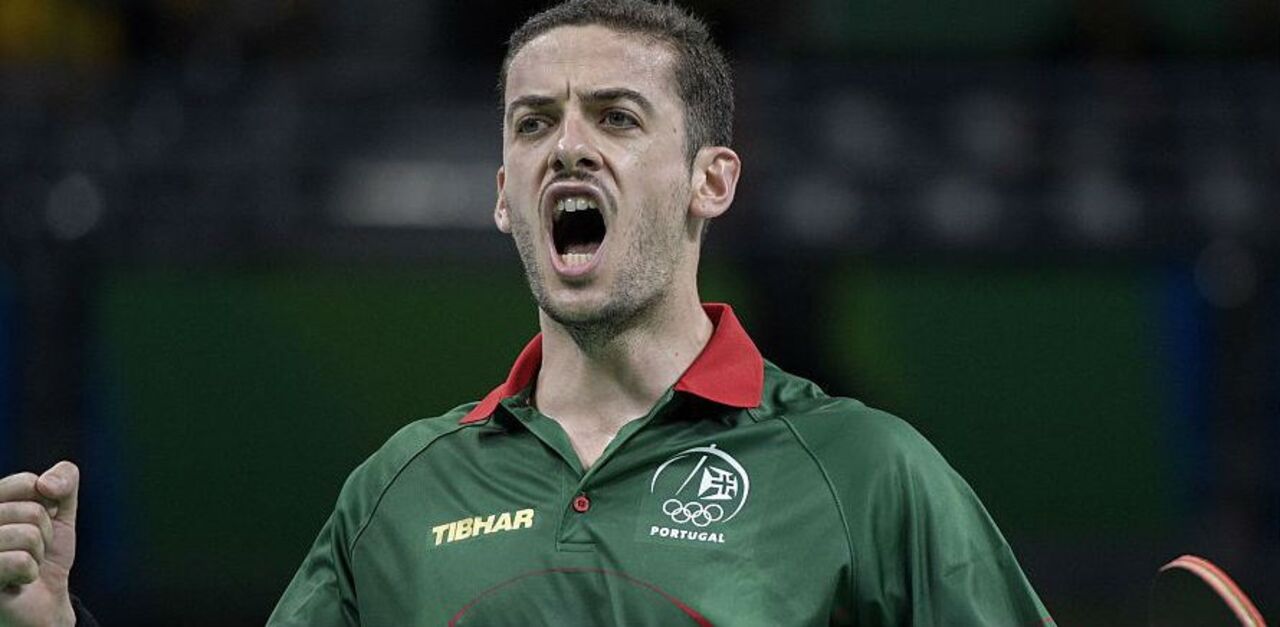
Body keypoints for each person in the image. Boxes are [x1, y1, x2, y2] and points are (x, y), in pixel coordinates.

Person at [0, 1, 1054, 624]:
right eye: (534, 122)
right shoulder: (397, 492)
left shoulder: (866, 471)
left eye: (617, 117)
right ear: (504, 194)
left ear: (711, 180)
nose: (568, 147)